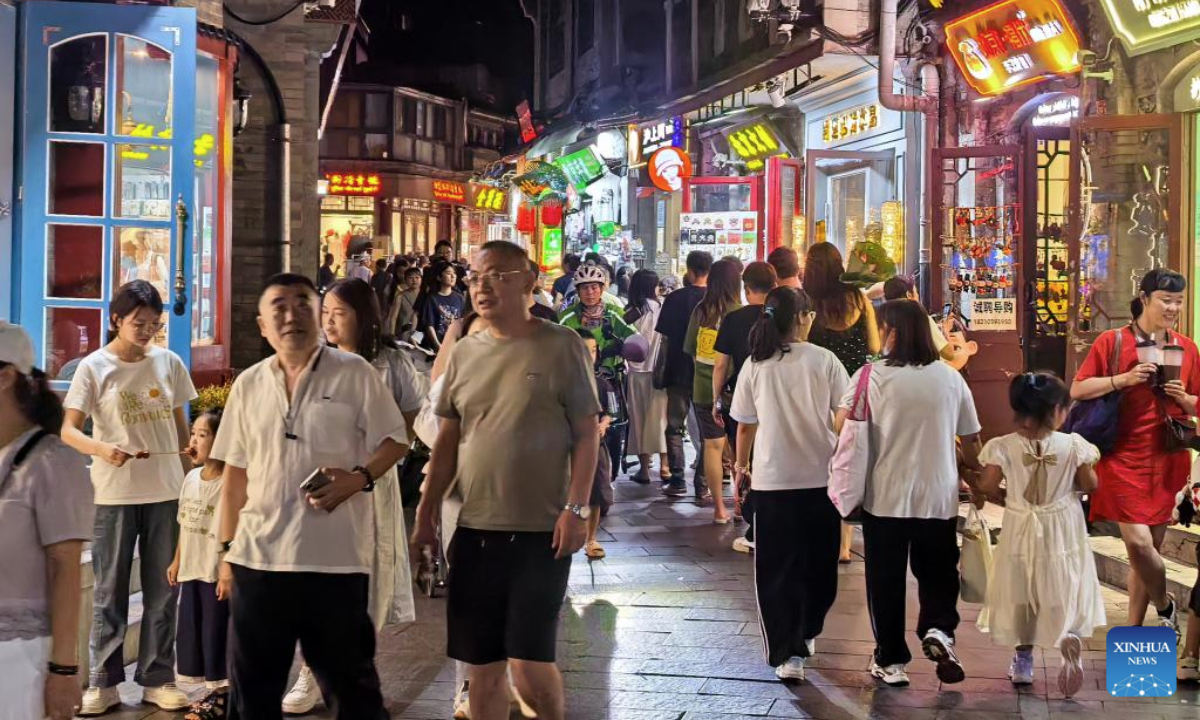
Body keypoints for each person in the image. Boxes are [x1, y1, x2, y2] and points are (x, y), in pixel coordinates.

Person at [412, 241, 601, 720]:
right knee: (482, 668)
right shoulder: (464, 353)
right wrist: (426, 515)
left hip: (541, 530)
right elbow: (448, 441)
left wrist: (577, 508)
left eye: (496, 275)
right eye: (475, 277)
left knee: (530, 664)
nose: (482, 286)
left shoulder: (562, 346)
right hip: (475, 529)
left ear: (529, 279)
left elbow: (585, 434)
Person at [212, 273, 408, 719]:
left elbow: (396, 440)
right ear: (261, 325)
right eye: (277, 306)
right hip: (258, 563)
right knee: (252, 701)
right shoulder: (249, 384)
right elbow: (235, 476)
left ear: (318, 315)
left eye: (302, 303)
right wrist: (225, 551)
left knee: (355, 696)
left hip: (334, 564)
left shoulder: (353, 372)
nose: (291, 315)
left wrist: (358, 478)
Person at [276, 279, 422, 714]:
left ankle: (345, 669)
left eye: (339, 313)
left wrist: (373, 463)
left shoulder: (391, 361)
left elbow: (410, 422)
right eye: (325, 314)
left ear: (363, 314)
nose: (330, 322)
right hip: (319, 483)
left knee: (367, 576)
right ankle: (312, 672)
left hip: (371, 485)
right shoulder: (314, 362)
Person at [62, 281, 196, 715]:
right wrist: (104, 449)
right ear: (115, 320)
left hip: (166, 492)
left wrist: (191, 472)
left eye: (153, 325)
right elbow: (68, 430)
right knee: (109, 591)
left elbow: (180, 426)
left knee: (163, 590)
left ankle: (158, 677)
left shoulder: (169, 362)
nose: (146, 332)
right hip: (112, 494)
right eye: (138, 323)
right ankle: (103, 682)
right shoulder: (93, 367)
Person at [835, 299, 982, 688]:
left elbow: (842, 426)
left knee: (885, 580)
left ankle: (891, 659)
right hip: (938, 495)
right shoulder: (950, 378)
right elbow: (971, 437)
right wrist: (971, 471)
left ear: (894, 332)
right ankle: (938, 630)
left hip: (885, 496)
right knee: (937, 572)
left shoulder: (871, 375)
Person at [1070, 268, 1199, 637]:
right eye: (1165, 299)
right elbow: (1078, 389)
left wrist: (1186, 398)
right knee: (1139, 545)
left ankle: (1134, 632)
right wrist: (1122, 380)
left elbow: (1196, 404)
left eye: (1178, 300)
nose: (1173, 307)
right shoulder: (1112, 342)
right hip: (1122, 456)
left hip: (1168, 456)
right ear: (1144, 299)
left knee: (1147, 552)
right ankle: (1166, 605)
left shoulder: (1186, 347)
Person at [730, 288, 848, 682]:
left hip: (772, 480)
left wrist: (741, 468)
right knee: (820, 566)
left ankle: (788, 649)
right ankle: (804, 633)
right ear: (800, 318)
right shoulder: (825, 360)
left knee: (777, 570)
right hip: (822, 479)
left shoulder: (755, 364)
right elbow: (844, 414)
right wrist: (829, 439)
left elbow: (745, 424)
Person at [974, 373, 1104, 698]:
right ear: (1056, 411)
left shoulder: (1003, 446)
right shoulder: (1073, 445)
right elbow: (1090, 485)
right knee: (1066, 583)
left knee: (1023, 590)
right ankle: (1069, 638)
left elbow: (987, 485)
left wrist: (1002, 495)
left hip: (1022, 526)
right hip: (1063, 525)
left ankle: (1023, 660)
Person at [0, 322, 94, 720]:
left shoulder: (52, 460)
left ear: (6, 377)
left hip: (21, 653)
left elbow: (66, 567)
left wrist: (63, 669)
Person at [805, 242, 881, 564]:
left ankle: (818, 528)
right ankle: (845, 543)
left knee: (823, 459)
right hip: (856, 394)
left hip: (820, 392)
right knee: (851, 460)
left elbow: (802, 345)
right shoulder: (860, 301)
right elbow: (875, 346)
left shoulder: (809, 306)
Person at [168, 410, 231, 718]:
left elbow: (234, 529)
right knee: (192, 634)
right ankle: (208, 692)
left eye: (203, 435)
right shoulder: (191, 477)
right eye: (193, 433)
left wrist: (227, 569)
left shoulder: (230, 482)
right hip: (192, 569)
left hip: (214, 572)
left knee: (216, 633)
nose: (193, 440)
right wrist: (178, 560)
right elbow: (184, 522)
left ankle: (221, 696)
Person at [714, 261, 777, 552]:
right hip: (775, 397)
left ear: (746, 288)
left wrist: (715, 399)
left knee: (747, 458)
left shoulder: (733, 319)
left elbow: (720, 365)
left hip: (743, 396)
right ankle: (763, 520)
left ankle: (753, 519)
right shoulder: (781, 318)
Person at [560, 262, 639, 475]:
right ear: (577, 291)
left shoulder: (614, 313)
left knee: (614, 423)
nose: (590, 292)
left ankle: (610, 469)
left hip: (609, 380)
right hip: (577, 381)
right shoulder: (567, 317)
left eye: (594, 287)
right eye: (584, 288)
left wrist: (625, 346)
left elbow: (634, 337)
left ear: (602, 288)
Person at [685, 258, 742, 522]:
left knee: (712, 446)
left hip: (703, 389)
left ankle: (719, 508)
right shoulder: (738, 312)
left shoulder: (701, 310)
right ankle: (741, 504)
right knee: (739, 448)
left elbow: (689, 349)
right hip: (734, 391)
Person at [657, 251, 713, 498]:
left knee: (674, 425)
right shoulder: (714, 301)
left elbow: (665, 338)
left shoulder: (675, 298)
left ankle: (678, 479)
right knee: (706, 430)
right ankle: (702, 483)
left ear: (690, 271)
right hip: (705, 373)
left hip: (677, 369)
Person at [623, 269, 669, 484]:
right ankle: (666, 467)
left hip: (637, 372)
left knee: (639, 419)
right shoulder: (663, 308)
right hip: (660, 372)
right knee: (661, 419)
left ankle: (644, 469)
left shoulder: (633, 311)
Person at [575, 328, 616, 559]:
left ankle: (591, 539)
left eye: (592, 350)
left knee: (598, 491)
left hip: (595, 445)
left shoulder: (602, 382)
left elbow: (613, 410)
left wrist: (604, 423)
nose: (589, 355)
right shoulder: (560, 380)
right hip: (569, 446)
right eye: (583, 350)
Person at [883, 275, 954, 362]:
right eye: (916, 292)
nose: (918, 295)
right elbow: (949, 355)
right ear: (909, 295)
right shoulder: (921, 319)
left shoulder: (885, 320)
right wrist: (945, 330)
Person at [418, 260, 467, 351]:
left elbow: (462, 321)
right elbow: (429, 325)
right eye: (448, 273)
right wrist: (437, 345)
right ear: (439, 277)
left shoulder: (460, 298)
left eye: (454, 273)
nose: (453, 276)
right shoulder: (432, 299)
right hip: (437, 344)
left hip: (455, 344)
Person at [387, 266, 423, 340]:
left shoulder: (426, 295)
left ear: (421, 279)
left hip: (421, 333)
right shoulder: (400, 296)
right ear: (405, 280)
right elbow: (394, 317)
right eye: (410, 277)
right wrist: (392, 333)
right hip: (404, 331)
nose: (414, 280)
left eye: (417, 277)